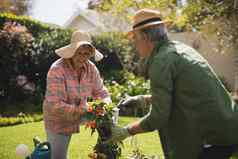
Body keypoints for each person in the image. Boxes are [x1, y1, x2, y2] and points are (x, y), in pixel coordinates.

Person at [106, 9, 238, 159]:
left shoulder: (161, 61)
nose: (134, 43)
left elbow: (158, 117)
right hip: (227, 126)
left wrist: (125, 131)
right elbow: (182, 93)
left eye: (134, 38)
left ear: (145, 36)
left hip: (212, 137)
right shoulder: (180, 49)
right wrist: (145, 99)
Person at [43, 30, 111, 159]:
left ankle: (105, 153)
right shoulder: (57, 69)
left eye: (86, 54)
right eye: (78, 53)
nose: (82, 57)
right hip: (59, 118)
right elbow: (55, 104)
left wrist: (106, 104)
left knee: (109, 121)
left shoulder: (91, 68)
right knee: (58, 157)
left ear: (90, 54)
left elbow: (101, 92)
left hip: (82, 111)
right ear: (71, 51)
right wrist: (81, 109)